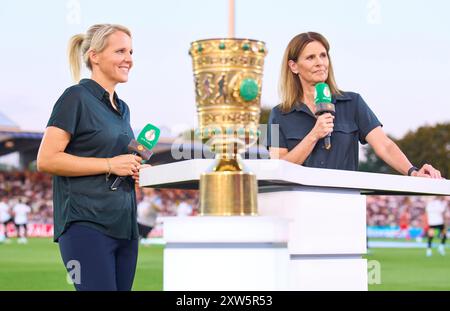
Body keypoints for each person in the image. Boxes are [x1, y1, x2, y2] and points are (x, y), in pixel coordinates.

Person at [37, 24, 148, 291]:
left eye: (131, 51)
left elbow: (120, 164)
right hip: (86, 226)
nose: (129, 58)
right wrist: (110, 164)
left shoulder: (123, 109)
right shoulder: (75, 97)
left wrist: (135, 170)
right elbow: (47, 159)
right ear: (94, 56)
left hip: (126, 229)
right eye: (120, 50)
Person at [267, 32, 442, 179]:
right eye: (310, 57)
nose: (320, 62)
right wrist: (314, 135)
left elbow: (385, 145)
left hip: (345, 204)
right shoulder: (277, 114)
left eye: (323, 55)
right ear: (294, 66)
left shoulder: (353, 102)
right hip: (298, 205)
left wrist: (414, 172)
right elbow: (276, 167)